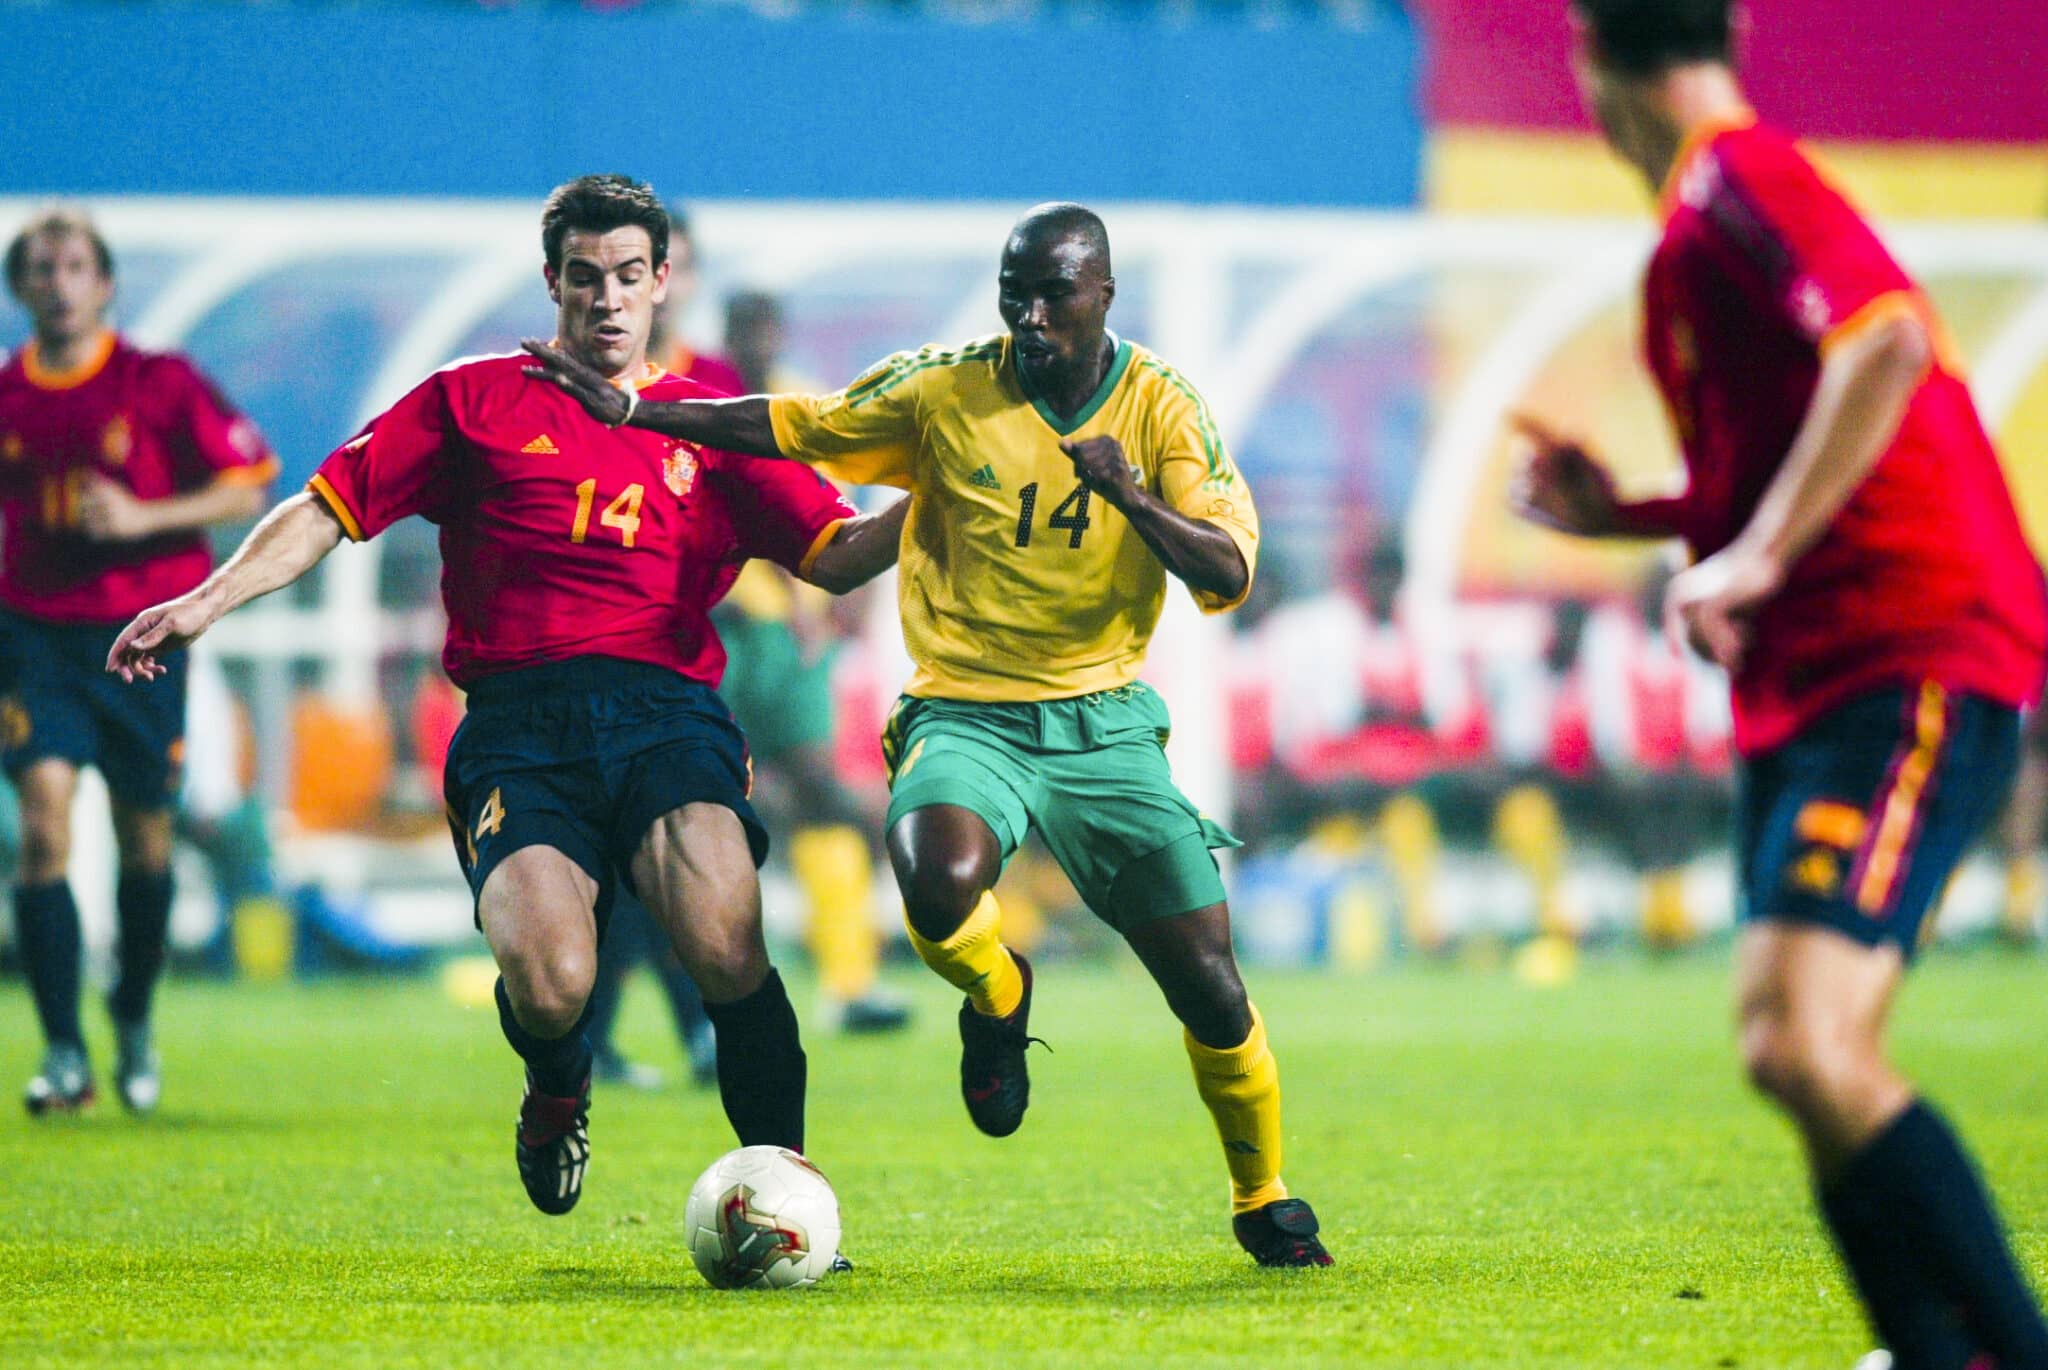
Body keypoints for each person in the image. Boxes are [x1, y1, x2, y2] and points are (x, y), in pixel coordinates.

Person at [524, 202, 1332, 1267]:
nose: (1029, 316)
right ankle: (1000, 993)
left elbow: (1227, 574)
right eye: (1013, 295)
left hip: (1102, 722)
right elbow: (796, 424)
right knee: (935, 879)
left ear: (1102, 295)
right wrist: (638, 411)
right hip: (964, 706)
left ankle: (1261, 1193)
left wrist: (1131, 496)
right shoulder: (944, 389)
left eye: (1053, 294)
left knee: (1210, 986)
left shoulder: (1162, 408)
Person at [108, 175, 906, 1220]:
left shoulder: (709, 420)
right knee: (553, 978)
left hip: (664, 709)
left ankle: (790, 1199)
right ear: (553, 283)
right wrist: (206, 600)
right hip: (518, 727)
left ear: (663, 280)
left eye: (628, 275)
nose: (607, 298)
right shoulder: (469, 402)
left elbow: (838, 554)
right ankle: (558, 1081)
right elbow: (324, 506)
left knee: (725, 940)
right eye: (585, 277)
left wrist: (935, 495)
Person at [1513, 5, 2048, 1366]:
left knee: (1807, 1041)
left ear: (1592, 65)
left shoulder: (1736, 178)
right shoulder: (1700, 223)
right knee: (1788, 1043)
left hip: (1905, 648)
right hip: (1821, 672)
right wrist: (1635, 515)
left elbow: (1884, 343)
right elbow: (1781, 456)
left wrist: (1752, 555)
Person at [1, 208, 277, 1115]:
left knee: (145, 838)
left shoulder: (158, 382)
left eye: (74, 265)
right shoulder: (9, 394)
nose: (59, 282)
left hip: (141, 639)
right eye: (41, 268)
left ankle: (131, 1011)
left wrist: (143, 517)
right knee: (44, 825)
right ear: (21, 287)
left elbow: (249, 483)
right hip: (37, 635)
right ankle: (63, 1052)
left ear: (105, 283)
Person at [716, 288, 911, 1035]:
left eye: (767, 329)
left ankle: (849, 980)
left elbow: (845, 508)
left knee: (814, 792)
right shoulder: (700, 398)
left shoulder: (805, 403)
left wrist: (852, 595)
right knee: (710, 799)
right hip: (720, 626)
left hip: (791, 639)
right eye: (746, 329)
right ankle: (716, 990)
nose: (757, 341)